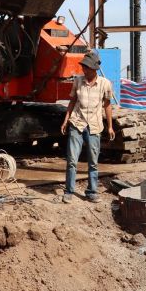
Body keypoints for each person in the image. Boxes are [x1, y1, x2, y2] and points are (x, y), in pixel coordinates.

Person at [59, 51, 115, 203]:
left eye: (87, 68)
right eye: (83, 67)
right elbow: (72, 101)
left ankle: (92, 191)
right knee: (72, 159)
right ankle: (69, 191)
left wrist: (110, 126)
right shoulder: (78, 81)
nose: (84, 70)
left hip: (94, 126)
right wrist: (66, 120)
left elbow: (107, 106)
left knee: (93, 161)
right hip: (77, 123)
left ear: (95, 69)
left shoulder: (105, 84)